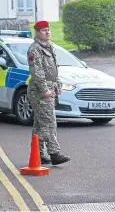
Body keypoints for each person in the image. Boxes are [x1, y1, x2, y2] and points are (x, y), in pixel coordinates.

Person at [27, 20, 70, 165]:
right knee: (49, 122)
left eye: (48, 30)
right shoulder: (34, 49)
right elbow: (37, 72)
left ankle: (37, 153)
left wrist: (57, 85)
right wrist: (44, 89)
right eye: (44, 30)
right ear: (38, 32)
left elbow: (53, 69)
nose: (48, 32)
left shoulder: (50, 46)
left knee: (40, 123)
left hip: (50, 87)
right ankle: (54, 153)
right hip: (39, 91)